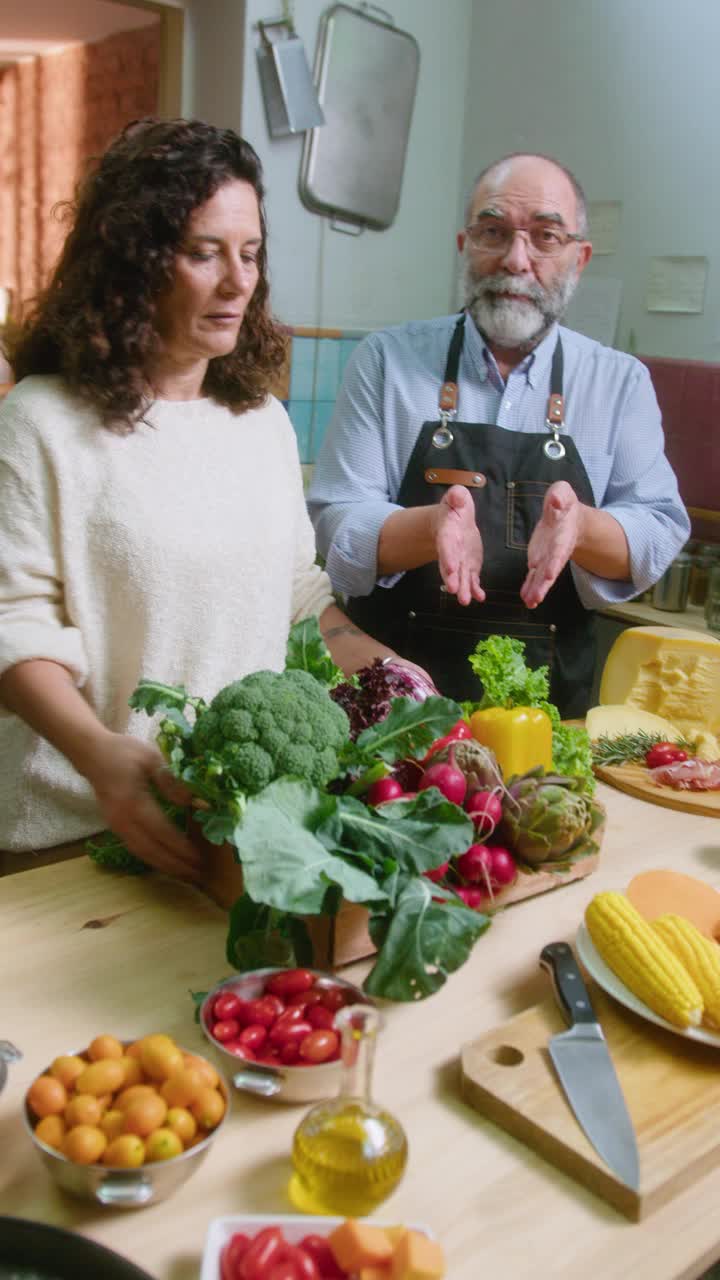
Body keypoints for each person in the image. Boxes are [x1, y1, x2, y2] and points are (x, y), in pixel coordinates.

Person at [0, 118, 416, 876]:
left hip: (227, 831)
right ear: (133, 263)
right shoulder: (41, 421)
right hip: (70, 834)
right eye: (204, 253)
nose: (238, 281)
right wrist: (100, 756)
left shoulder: (259, 422)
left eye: (250, 253)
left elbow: (296, 595)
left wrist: (387, 672)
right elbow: (14, 628)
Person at [308, 152, 690, 716]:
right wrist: (430, 524)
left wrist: (581, 526)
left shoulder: (618, 383)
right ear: (465, 247)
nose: (516, 259)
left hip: (546, 719)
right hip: (390, 711)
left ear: (579, 259)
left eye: (545, 237)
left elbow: (657, 528)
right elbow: (335, 524)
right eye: (494, 232)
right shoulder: (387, 361)